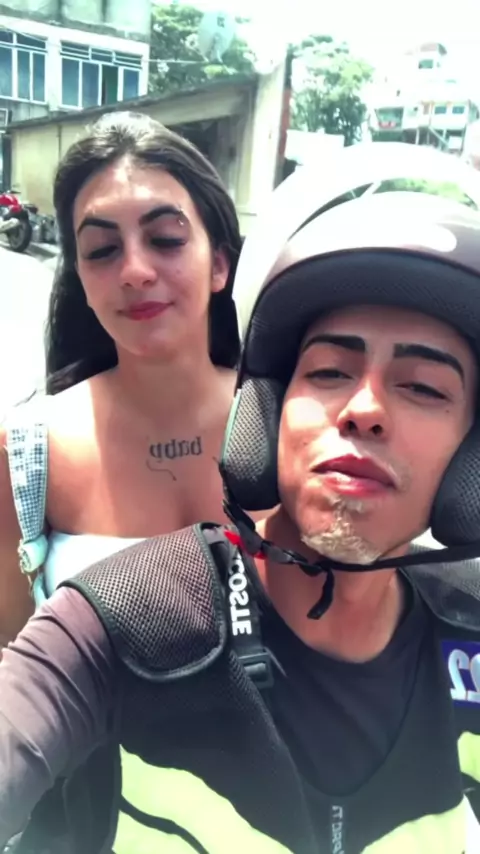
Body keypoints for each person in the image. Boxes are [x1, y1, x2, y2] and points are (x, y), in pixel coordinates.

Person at [2, 149, 480, 854]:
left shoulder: (467, 628)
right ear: (269, 417)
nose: (365, 408)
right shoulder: (121, 616)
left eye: (424, 387)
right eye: (330, 371)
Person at [0, 110, 241, 646]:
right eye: (102, 250)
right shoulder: (26, 452)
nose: (134, 270)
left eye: (166, 238)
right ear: (81, 280)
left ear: (219, 264)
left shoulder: (292, 426)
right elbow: (12, 662)